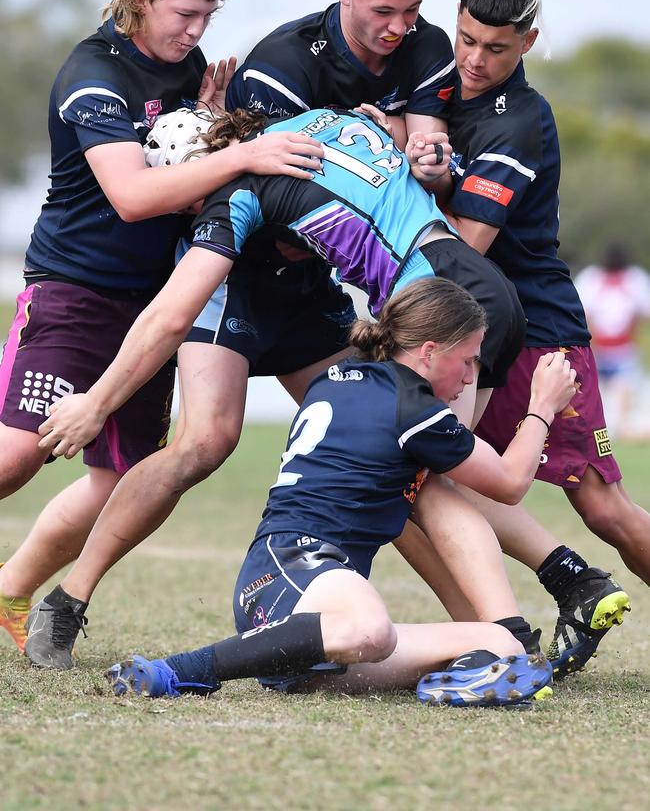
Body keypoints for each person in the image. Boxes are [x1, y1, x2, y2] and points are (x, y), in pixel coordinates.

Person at [13, 0, 466, 669]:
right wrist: (254, 150)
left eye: (409, 12)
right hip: (227, 271)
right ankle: (68, 601)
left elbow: (425, 158)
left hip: (306, 286)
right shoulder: (275, 66)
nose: (398, 27)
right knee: (204, 443)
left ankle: (483, 632)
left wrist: (420, 153)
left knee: (389, 440)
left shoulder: (418, 49)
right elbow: (198, 193)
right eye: (383, 11)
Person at [31, 104, 530, 669]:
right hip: (257, 285)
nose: (184, 212)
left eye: (182, 203)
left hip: (318, 292)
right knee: (204, 443)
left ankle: (495, 634)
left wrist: (95, 403)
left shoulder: (232, 193)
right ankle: (69, 599)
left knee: (409, 462)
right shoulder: (314, 120)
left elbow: (168, 315)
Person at [0, 0, 324, 653]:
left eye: (207, 16)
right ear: (141, 0)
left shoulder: (189, 66)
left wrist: (211, 123)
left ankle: (12, 586)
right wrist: (248, 153)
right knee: (20, 454)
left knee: (120, 476)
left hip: (152, 302)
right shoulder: (94, 72)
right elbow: (133, 196)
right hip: (74, 290)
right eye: (184, 14)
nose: (197, 30)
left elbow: (185, 170)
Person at [103, 277, 576, 707]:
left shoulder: (340, 377)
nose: (471, 376)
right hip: (288, 571)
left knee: (503, 647)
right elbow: (511, 483)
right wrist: (542, 405)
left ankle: (454, 675)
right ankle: (181, 671)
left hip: (318, 616)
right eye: (469, 359)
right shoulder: (415, 411)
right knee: (370, 628)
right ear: (429, 352)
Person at [417, 0, 640, 674]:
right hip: (472, 328)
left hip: (539, 334)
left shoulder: (521, 122)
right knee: (426, 475)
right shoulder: (441, 84)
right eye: (466, 40)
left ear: (529, 43)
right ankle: (510, 626)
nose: (476, 61)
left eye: (496, 49)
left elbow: (466, 247)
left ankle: (569, 584)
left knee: (603, 508)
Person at [575, 243, 650, 440]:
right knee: (594, 401)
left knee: (621, 403)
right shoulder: (592, 278)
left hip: (623, 351)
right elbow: (584, 314)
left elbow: (642, 313)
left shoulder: (634, 279)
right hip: (597, 350)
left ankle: (620, 432)